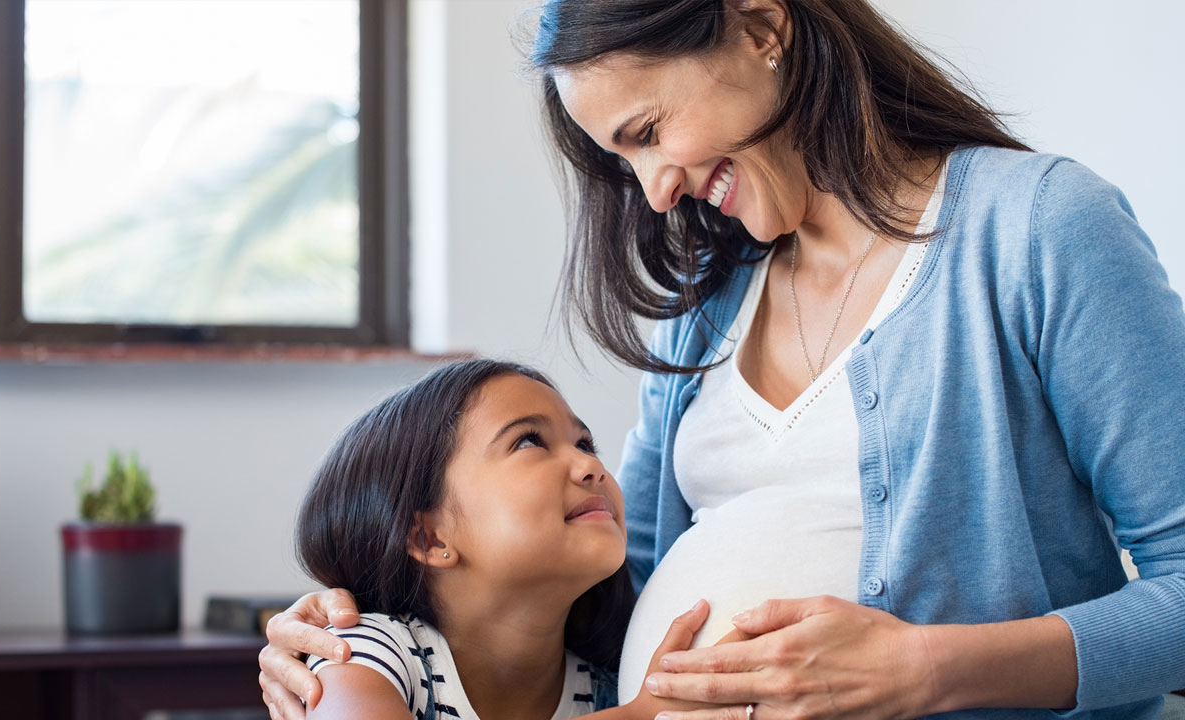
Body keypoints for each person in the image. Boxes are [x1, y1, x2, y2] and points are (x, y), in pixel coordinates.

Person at [260, 1, 1185, 718]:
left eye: (649, 132)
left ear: (762, 27)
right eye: (622, 162)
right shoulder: (707, 304)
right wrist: (359, 635)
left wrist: (925, 669)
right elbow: (623, 584)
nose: (657, 193)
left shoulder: (1036, 231)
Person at [287, 358, 733, 719]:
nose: (589, 467)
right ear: (428, 538)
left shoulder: (608, 685)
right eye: (528, 442)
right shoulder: (365, 652)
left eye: (584, 443)